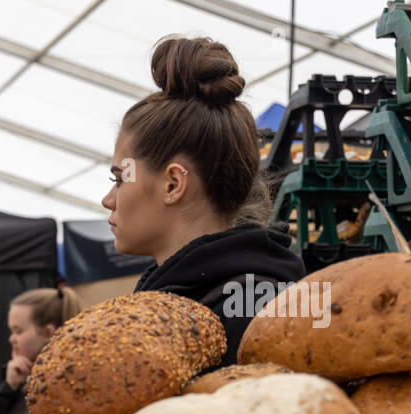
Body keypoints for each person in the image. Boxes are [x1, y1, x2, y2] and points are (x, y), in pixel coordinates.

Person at [102, 35, 304, 365]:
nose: (107, 199)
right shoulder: (186, 294)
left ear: (172, 184)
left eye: (120, 178)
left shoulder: (248, 312)